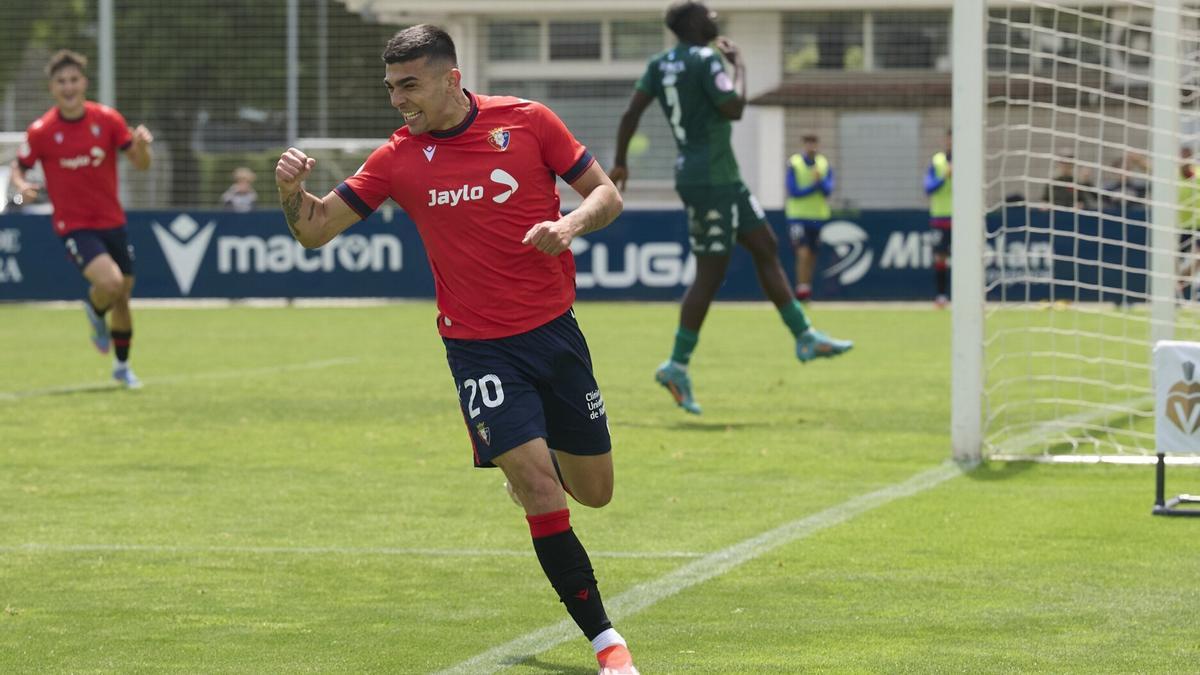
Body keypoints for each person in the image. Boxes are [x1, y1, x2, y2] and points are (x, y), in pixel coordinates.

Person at [273, 25, 638, 675]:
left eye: (409, 85)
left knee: (596, 491)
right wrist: (288, 194)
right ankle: (607, 643)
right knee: (539, 487)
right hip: (477, 349)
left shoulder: (528, 122)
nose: (398, 100)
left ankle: (535, 460)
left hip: (554, 334)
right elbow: (316, 229)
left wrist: (570, 224)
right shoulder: (396, 158)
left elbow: (606, 194)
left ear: (452, 78)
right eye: (391, 87)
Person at [610, 0, 852, 415]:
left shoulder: (659, 64)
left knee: (765, 246)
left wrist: (621, 161)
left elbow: (632, 112)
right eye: (708, 14)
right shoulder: (707, 59)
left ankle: (804, 336)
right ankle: (676, 366)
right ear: (692, 23)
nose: (715, 18)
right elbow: (733, 108)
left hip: (718, 176)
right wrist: (739, 66)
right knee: (711, 272)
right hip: (711, 179)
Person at [10, 49, 153, 388]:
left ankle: (122, 366)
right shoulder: (42, 130)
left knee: (122, 296)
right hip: (74, 225)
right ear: (52, 88)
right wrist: (21, 186)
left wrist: (144, 147)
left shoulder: (108, 119)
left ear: (84, 83)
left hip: (112, 221)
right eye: (61, 81)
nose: (68, 86)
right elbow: (20, 166)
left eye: (73, 79)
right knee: (111, 284)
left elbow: (140, 164)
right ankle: (94, 306)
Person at [786, 133, 834, 301]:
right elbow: (793, 191)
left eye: (814, 143)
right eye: (808, 143)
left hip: (817, 217)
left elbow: (828, 190)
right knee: (803, 252)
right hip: (798, 216)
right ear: (803, 145)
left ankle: (806, 289)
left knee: (813, 254)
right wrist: (814, 186)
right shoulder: (794, 163)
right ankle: (801, 288)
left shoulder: (824, 164)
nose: (811, 147)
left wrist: (820, 182)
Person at [925, 128, 952, 308]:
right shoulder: (937, 161)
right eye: (949, 139)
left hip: (963, 217)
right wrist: (944, 176)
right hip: (941, 217)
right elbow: (928, 187)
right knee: (941, 257)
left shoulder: (969, 160)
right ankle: (941, 295)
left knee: (966, 257)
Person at [1178, 147, 1200, 298]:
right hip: (1181, 226)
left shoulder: (1198, 173)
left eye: (1187, 156)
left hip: (1198, 224)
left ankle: (1182, 281)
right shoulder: (1172, 176)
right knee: (1172, 259)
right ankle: (1178, 282)